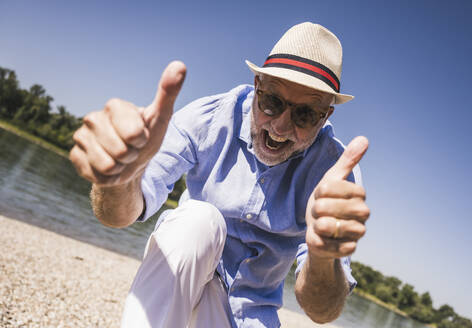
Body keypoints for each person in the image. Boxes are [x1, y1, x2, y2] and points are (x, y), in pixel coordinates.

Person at [69, 22, 370, 328]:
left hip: (250, 317)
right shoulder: (208, 118)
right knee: (197, 219)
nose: (279, 127)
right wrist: (120, 180)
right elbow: (118, 215)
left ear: (325, 115)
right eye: (272, 102)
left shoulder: (334, 175)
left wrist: (322, 256)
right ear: (257, 86)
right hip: (178, 281)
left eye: (304, 114)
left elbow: (321, 311)